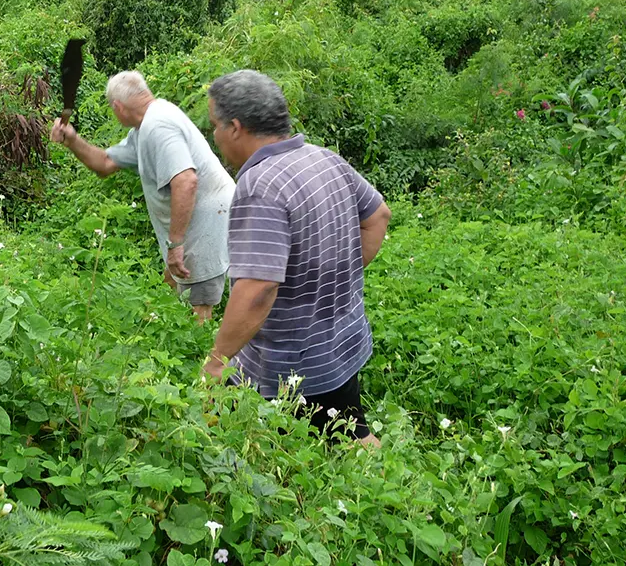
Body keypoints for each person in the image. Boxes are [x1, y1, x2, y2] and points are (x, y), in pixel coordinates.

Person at [202, 70, 392, 446]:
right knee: (349, 435)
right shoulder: (323, 159)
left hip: (294, 362)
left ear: (236, 128)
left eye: (214, 126)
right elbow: (378, 216)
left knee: (282, 451)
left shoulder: (260, 185)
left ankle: (399, 497)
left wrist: (217, 360)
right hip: (341, 339)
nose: (214, 136)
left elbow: (258, 290)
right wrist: (332, 281)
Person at [49, 71, 235, 320]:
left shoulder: (158, 126)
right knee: (171, 282)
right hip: (196, 216)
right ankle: (167, 337)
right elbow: (104, 163)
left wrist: (176, 244)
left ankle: (203, 354)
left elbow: (186, 180)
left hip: (207, 219)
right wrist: (72, 140)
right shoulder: (145, 127)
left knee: (198, 305)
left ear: (117, 107)